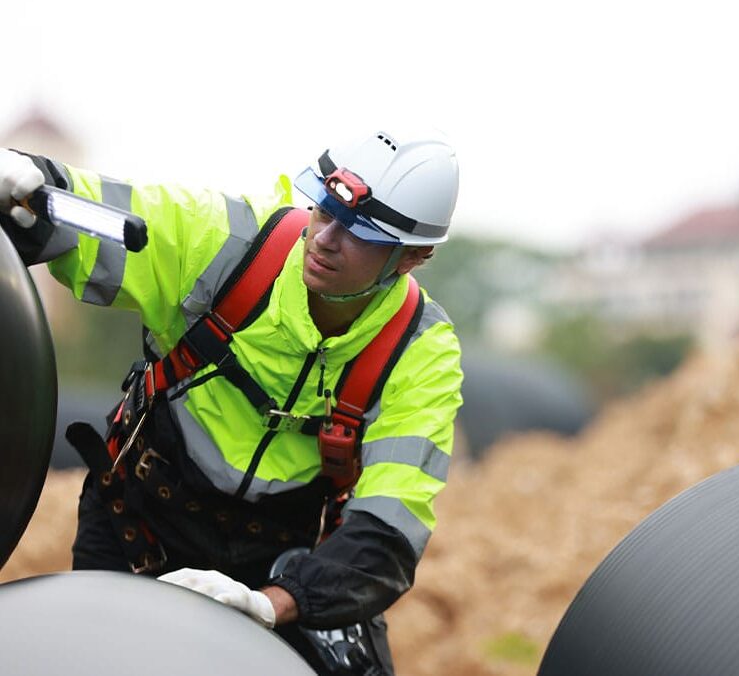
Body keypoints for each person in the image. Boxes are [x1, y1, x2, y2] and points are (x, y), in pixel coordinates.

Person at [0, 130, 462, 676]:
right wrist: (33, 181)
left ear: (413, 257)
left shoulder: (419, 352)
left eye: (359, 231)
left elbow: (387, 532)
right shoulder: (230, 243)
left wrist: (270, 603)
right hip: (140, 522)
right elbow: (89, 210)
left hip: (278, 563)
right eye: (325, 210)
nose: (325, 238)